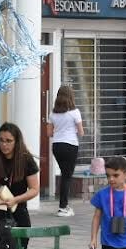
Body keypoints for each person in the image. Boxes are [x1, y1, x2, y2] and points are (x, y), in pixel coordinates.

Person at [47, 86, 83, 217]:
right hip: (71, 145)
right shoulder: (75, 112)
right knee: (67, 176)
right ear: (71, 97)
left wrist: (60, 129)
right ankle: (63, 207)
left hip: (57, 146)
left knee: (64, 175)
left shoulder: (52, 114)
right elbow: (81, 132)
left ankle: (64, 205)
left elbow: (49, 133)